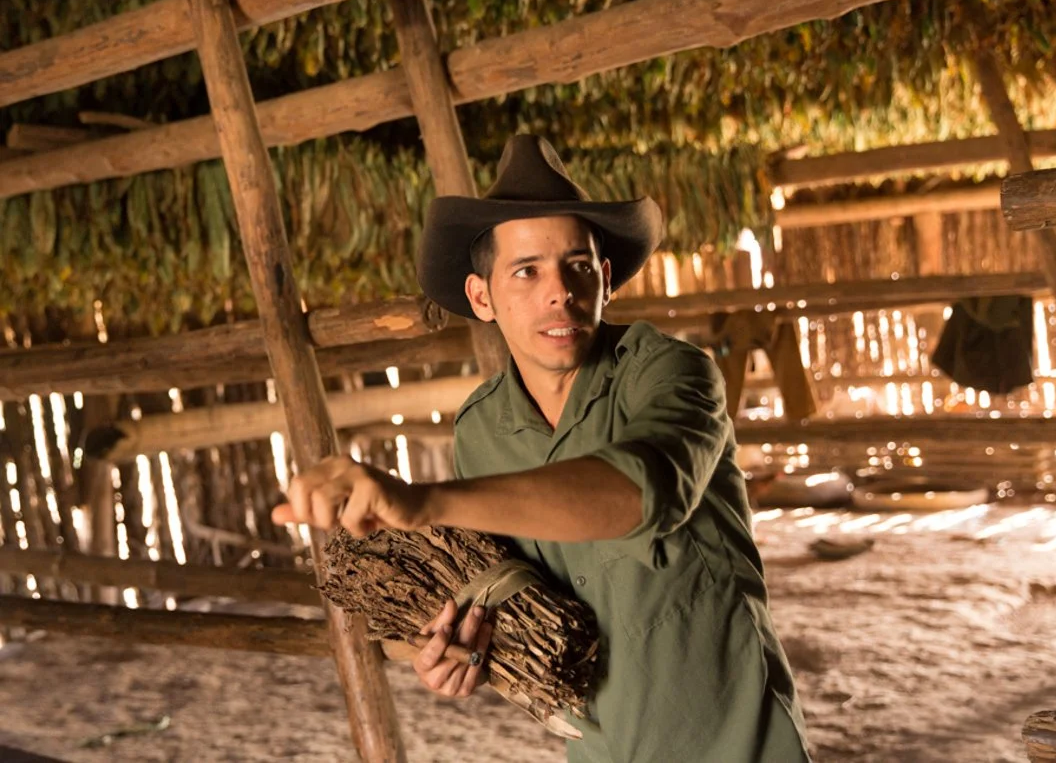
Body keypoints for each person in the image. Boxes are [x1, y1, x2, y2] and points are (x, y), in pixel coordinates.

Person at [272, 135, 811, 762]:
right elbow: (506, 593)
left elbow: (641, 491)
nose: (560, 292)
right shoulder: (481, 432)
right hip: (599, 750)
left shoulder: (671, 374)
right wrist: (458, 653)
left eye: (578, 266)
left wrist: (423, 502)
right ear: (482, 297)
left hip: (735, 741)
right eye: (526, 271)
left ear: (605, 279)